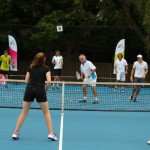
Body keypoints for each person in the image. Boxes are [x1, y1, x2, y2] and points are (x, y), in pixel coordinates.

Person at [12, 52, 57, 141]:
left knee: (24, 112)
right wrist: (46, 90)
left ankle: (15, 133)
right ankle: (51, 134)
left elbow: (25, 81)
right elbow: (49, 82)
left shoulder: (30, 67)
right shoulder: (46, 68)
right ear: (44, 59)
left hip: (29, 90)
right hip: (40, 90)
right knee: (46, 112)